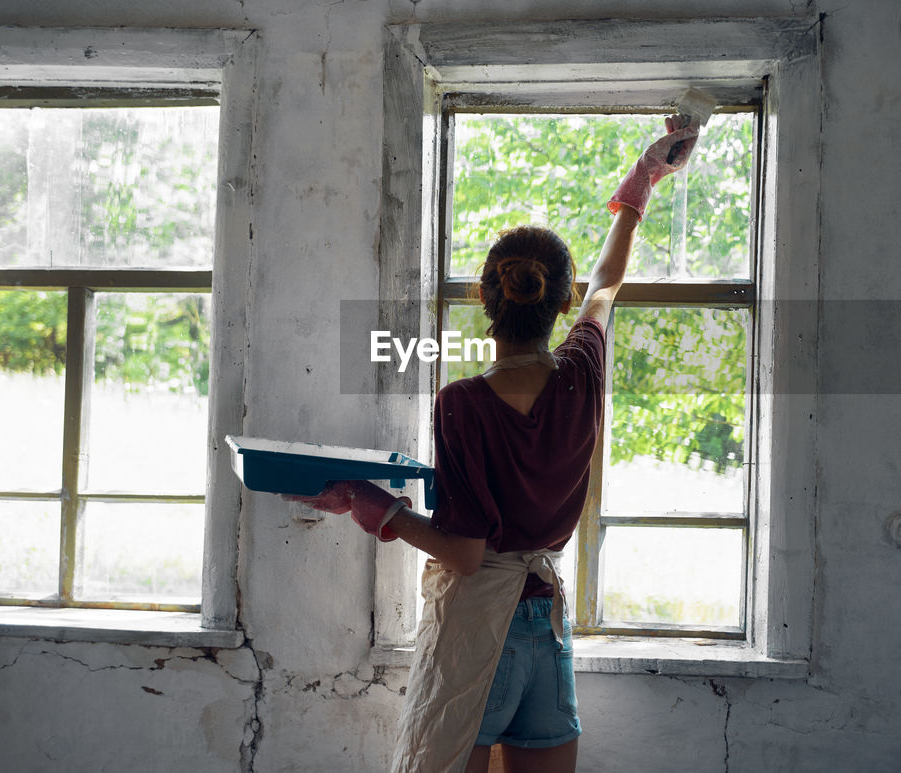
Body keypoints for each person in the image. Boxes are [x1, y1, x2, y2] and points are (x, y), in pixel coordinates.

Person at [291, 116, 700, 773]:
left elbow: (466, 553)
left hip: (482, 631)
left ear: (483, 296)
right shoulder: (584, 368)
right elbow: (608, 283)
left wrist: (376, 505)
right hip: (547, 629)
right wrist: (643, 178)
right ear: (562, 302)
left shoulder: (463, 403)